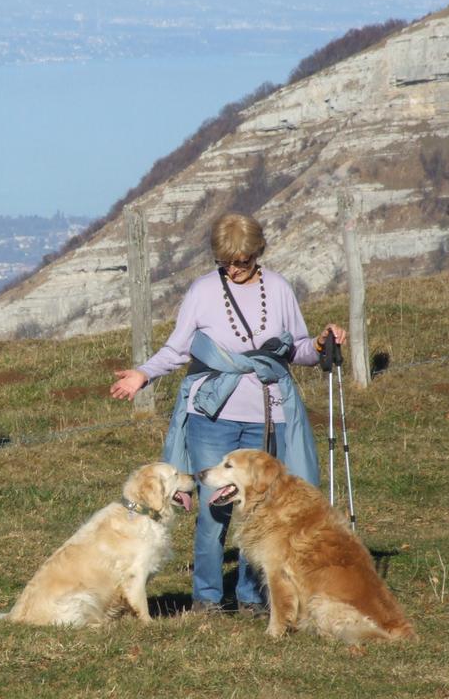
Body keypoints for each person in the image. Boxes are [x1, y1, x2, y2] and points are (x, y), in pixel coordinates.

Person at [109, 212, 346, 615]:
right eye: (227, 261)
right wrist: (142, 375)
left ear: (258, 253)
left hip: (267, 414)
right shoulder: (203, 291)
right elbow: (177, 349)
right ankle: (207, 598)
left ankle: (253, 597)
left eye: (244, 260)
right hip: (211, 418)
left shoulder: (279, 288)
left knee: (259, 509)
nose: (235, 269)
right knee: (212, 509)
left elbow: (297, 349)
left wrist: (322, 343)